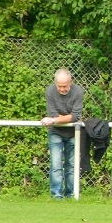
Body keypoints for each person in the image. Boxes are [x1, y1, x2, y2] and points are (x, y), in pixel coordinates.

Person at [41, 69, 84, 199]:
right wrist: (67, 118)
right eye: (59, 86)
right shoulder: (50, 91)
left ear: (70, 82)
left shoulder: (78, 91)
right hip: (55, 132)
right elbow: (53, 114)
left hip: (73, 133)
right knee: (56, 165)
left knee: (71, 166)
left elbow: (75, 116)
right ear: (55, 83)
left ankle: (70, 195)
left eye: (64, 86)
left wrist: (55, 120)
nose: (62, 89)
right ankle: (56, 196)